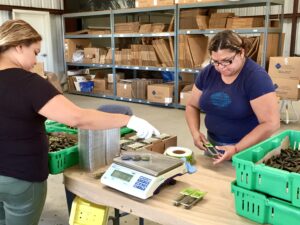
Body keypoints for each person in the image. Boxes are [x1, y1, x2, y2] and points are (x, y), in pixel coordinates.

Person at [0, 19, 159, 225]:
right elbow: (77, 118)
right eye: (35, 52)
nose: (35, 61)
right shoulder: (29, 83)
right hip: (20, 177)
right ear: (19, 46)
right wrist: (128, 119)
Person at [185, 30, 280, 165]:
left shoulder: (256, 78)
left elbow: (271, 123)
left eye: (226, 61)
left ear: (241, 52)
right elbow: (192, 106)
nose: (221, 67)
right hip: (213, 145)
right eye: (215, 61)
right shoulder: (208, 73)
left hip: (246, 149)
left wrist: (236, 148)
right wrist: (195, 133)